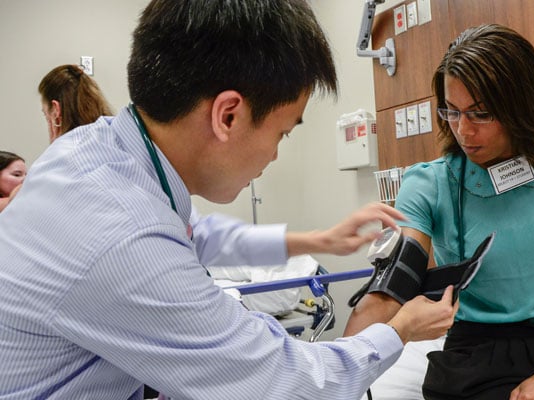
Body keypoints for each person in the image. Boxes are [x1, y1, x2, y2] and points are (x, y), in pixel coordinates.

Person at [0, 1, 458, 399]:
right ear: (229, 115)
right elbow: (285, 385)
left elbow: (198, 232)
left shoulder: (95, 152)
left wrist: (319, 239)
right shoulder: (123, 233)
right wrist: (399, 331)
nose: (276, 154)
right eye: (282, 132)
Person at [344, 24, 534, 399]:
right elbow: (394, 288)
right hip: (475, 355)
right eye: (452, 112)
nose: (463, 131)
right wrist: (340, 364)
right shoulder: (429, 184)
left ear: (521, 106)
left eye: (480, 114)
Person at [39, 64, 114, 142]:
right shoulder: (111, 138)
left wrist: (54, 147)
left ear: (56, 112)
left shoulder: (61, 152)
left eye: (46, 115)